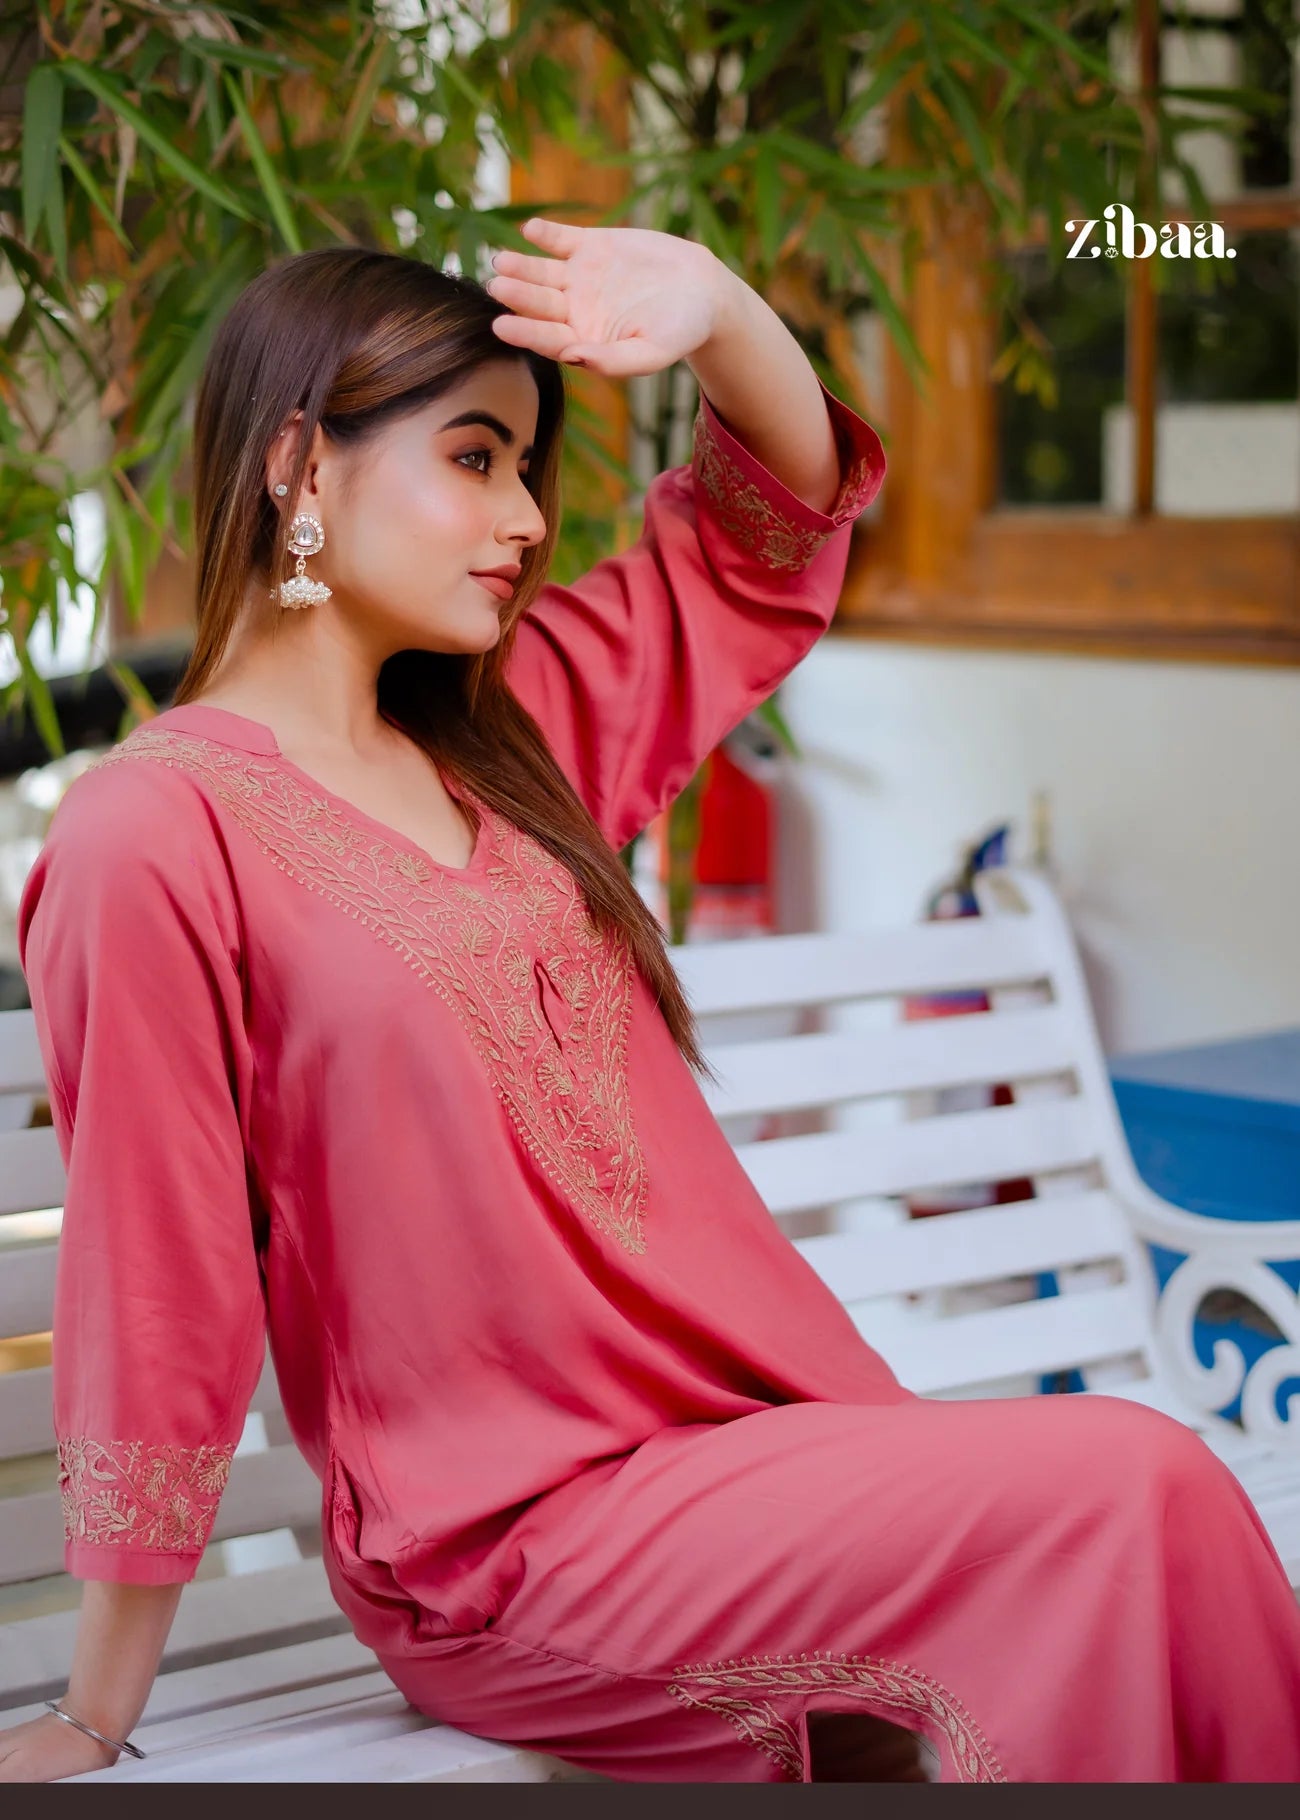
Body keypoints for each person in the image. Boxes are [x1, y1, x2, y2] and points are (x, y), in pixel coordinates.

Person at [5, 220, 1300, 1785]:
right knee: (1131, 1484)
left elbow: (765, 531)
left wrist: (721, 310)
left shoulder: (515, 730)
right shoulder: (152, 831)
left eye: (530, 468)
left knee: (1149, 1507)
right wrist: (96, 1709)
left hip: (749, 1451)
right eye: (475, 459)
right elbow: (160, 1278)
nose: (527, 518)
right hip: (502, 1544)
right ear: (298, 464)